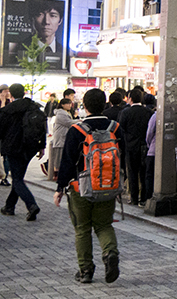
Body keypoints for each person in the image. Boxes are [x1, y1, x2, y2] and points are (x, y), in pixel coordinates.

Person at [53, 88, 121, 284]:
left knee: (82, 228)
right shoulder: (115, 128)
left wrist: (59, 188)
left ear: (85, 106)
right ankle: (110, 253)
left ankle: (86, 271)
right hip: (107, 185)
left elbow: (67, 161)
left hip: (80, 187)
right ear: (104, 104)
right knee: (103, 224)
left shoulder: (77, 130)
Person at [0, 83, 44, 220]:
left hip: (13, 147)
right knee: (19, 176)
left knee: (17, 179)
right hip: (30, 147)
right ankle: (9, 206)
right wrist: (42, 146)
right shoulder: (34, 107)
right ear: (24, 92)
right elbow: (43, 126)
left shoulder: (8, 110)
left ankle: (31, 205)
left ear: (11, 94)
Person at [117, 87, 153, 205]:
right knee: (144, 173)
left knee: (132, 172)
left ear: (130, 99)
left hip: (130, 146)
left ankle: (133, 197)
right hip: (145, 146)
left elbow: (121, 129)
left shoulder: (125, 112)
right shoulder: (148, 112)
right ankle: (144, 198)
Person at [47, 98, 76, 182]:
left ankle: (59, 174)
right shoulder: (61, 113)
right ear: (62, 105)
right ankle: (56, 174)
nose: (70, 105)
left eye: (70, 103)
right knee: (58, 156)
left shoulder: (66, 112)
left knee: (61, 156)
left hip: (63, 137)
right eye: (68, 104)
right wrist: (79, 121)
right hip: (60, 138)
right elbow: (68, 123)